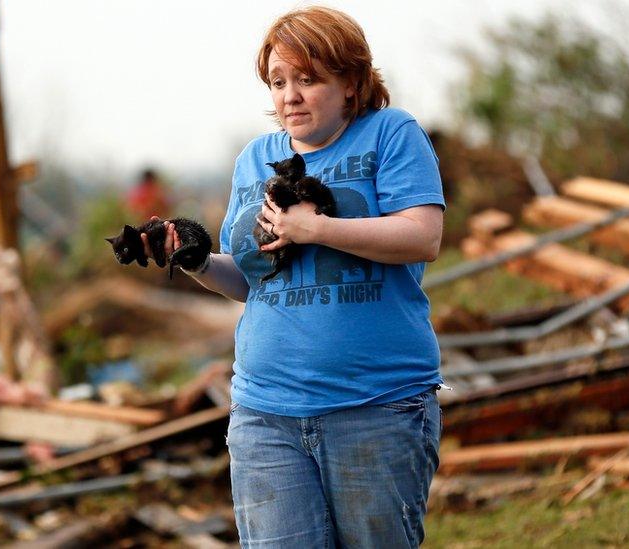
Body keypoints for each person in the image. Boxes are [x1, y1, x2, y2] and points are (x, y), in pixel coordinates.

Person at [141, 6, 444, 548]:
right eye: (278, 82)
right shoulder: (255, 159)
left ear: (351, 83)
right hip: (265, 413)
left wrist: (317, 228)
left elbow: (423, 236)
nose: (290, 96)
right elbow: (250, 282)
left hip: (374, 406)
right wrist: (197, 260)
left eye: (308, 79)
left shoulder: (390, 134)